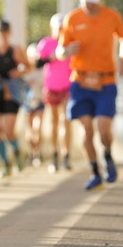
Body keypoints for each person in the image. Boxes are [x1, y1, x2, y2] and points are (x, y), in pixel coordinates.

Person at [57, 0, 123, 191]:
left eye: (93, 0)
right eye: (86, 0)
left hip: (105, 81)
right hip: (80, 82)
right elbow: (60, 51)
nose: (90, 4)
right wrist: (66, 51)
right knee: (87, 130)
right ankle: (95, 172)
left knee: (104, 129)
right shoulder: (72, 18)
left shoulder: (112, 17)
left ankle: (107, 155)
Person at [0, 21, 31, 178]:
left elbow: (28, 66)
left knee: (8, 130)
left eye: (4, 31)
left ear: (9, 33)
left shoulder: (16, 49)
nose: (2, 34)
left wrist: (18, 71)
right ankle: (5, 163)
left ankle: (16, 153)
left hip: (12, 92)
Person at [36, 13, 73, 173]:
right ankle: (54, 156)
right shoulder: (46, 43)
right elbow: (38, 63)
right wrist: (52, 56)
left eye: (62, 28)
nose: (60, 30)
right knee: (54, 123)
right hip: (51, 87)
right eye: (58, 27)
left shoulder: (70, 44)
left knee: (66, 120)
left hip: (68, 87)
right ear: (52, 28)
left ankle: (66, 156)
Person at [22, 43, 46, 167]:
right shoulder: (23, 71)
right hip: (27, 104)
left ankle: (38, 153)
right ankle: (32, 153)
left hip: (40, 101)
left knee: (37, 129)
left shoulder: (42, 70)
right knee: (30, 131)